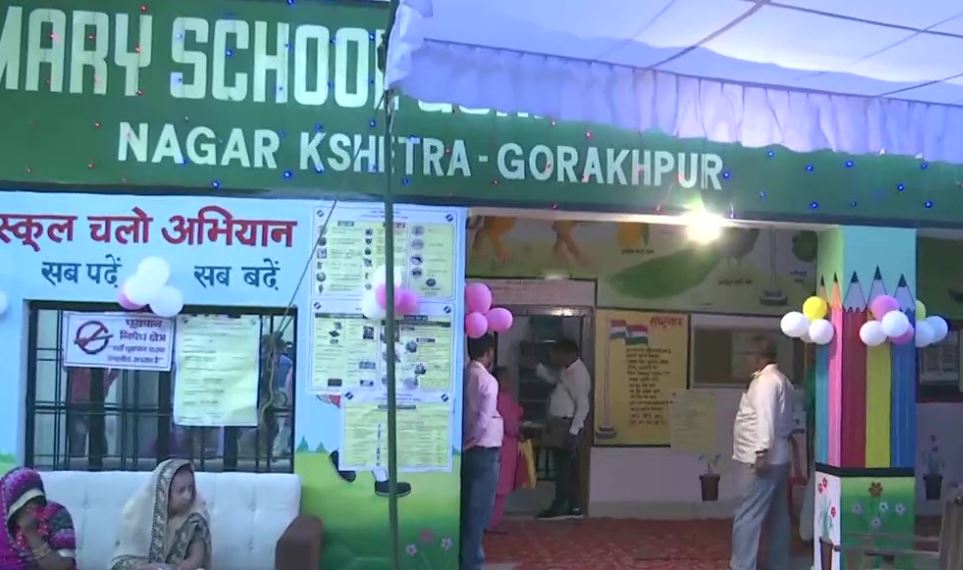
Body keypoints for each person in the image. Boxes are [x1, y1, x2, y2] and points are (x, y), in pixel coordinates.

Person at [730, 337, 793, 570]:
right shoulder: (782, 380)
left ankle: (743, 565)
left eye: (747, 355)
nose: (745, 361)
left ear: (759, 357)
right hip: (780, 458)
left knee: (747, 516)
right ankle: (779, 564)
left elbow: (765, 419)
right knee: (778, 518)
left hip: (762, 459)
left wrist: (761, 453)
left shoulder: (766, 382)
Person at [110, 459, 211, 570]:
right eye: (181, 491)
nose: (187, 496)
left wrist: (174, 569)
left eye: (190, 489)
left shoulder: (195, 515)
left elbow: (196, 558)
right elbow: (123, 560)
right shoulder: (137, 513)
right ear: (164, 491)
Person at [535, 339, 590, 519]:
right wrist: (538, 368)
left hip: (567, 426)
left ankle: (560, 506)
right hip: (559, 424)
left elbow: (583, 406)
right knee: (564, 467)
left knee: (564, 469)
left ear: (567, 353)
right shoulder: (566, 371)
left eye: (555, 353)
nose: (553, 357)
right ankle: (572, 506)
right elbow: (554, 379)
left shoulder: (578, 374)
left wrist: (573, 432)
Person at [461, 334, 502, 570]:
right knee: (478, 513)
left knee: (468, 509)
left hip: (468, 450)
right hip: (482, 449)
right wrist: (471, 441)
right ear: (489, 352)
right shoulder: (488, 380)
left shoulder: (465, 374)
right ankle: (472, 564)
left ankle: (465, 560)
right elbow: (484, 420)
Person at [0, 467, 76, 570]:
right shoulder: (4, 519)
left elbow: (62, 566)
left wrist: (31, 533)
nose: (32, 507)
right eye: (22, 503)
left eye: (35, 499)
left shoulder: (57, 513)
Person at [488, 367, 525, 532]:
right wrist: (520, 432)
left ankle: (490, 521)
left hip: (497, 444)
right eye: (506, 378)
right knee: (500, 487)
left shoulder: (494, 396)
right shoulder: (501, 399)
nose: (509, 382)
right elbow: (511, 425)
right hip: (505, 445)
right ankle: (492, 522)